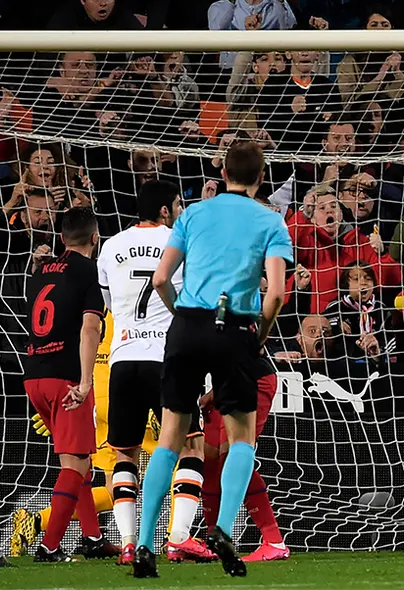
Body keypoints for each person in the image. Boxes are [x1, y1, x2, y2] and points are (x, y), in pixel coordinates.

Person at [133, 141, 293, 578]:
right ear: (262, 176)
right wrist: (259, 332)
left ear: (222, 172)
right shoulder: (270, 221)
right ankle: (222, 528)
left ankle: (145, 544)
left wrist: (180, 311)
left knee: (171, 437)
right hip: (235, 326)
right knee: (242, 437)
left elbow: (162, 277)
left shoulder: (193, 214)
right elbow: (276, 293)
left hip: (186, 326)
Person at [96, 181, 215, 565]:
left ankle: (129, 542)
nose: (181, 210)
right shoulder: (181, 240)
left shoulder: (110, 246)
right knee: (191, 446)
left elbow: (109, 306)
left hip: (123, 358)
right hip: (167, 357)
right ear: (166, 210)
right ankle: (178, 536)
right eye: (179, 204)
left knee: (124, 454)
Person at [22, 206, 116, 562]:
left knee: (79, 464)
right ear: (96, 238)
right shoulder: (88, 270)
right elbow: (90, 327)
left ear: (61, 238)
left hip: (34, 375)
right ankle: (49, 547)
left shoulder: (39, 270)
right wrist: (85, 380)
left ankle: (92, 538)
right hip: (65, 379)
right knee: (74, 467)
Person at [201, 357, 288, 562]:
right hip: (226, 383)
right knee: (210, 461)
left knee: (232, 458)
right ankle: (213, 542)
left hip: (251, 379)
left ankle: (274, 541)